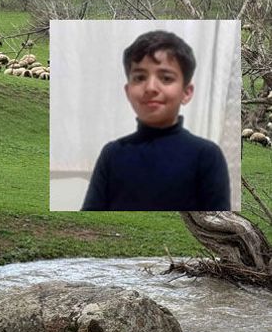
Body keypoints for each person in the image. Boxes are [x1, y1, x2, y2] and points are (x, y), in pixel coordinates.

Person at [81, 30, 230, 211]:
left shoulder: (207, 156)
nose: (151, 87)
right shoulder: (112, 154)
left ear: (186, 92)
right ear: (128, 91)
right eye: (140, 77)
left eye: (166, 78)